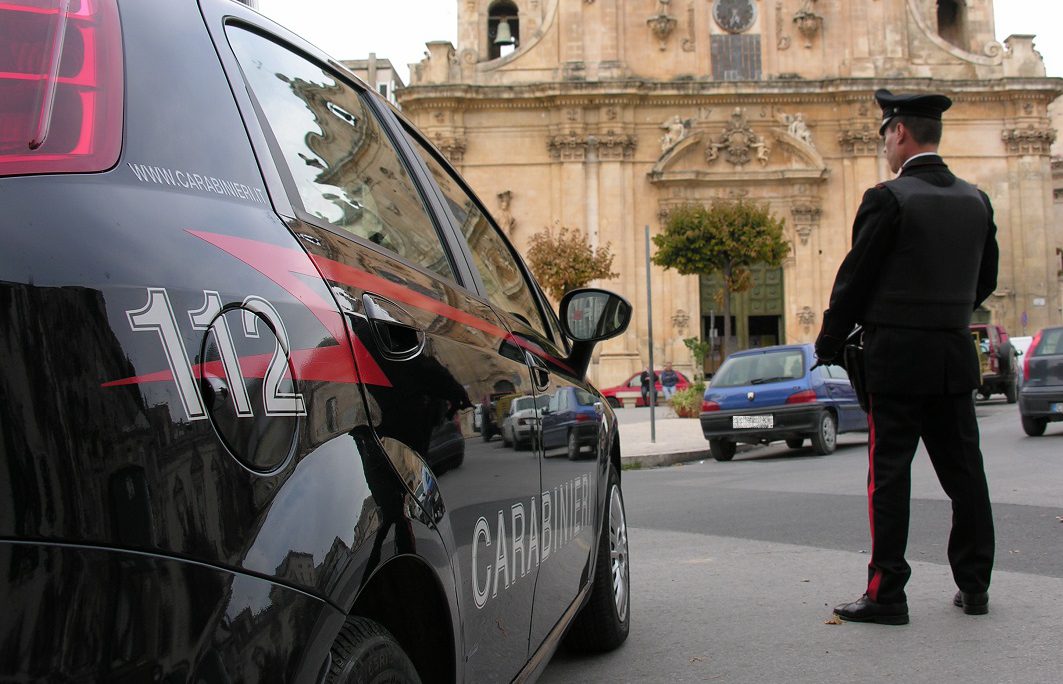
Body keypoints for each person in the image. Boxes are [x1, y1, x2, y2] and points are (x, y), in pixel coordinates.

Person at [814, 89, 998, 626]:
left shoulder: (888, 198)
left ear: (898, 132)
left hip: (895, 359)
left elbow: (855, 278)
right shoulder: (977, 200)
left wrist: (830, 340)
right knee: (966, 476)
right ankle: (975, 586)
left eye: (885, 137)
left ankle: (887, 592)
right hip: (953, 355)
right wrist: (948, 310)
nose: (885, 148)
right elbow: (986, 278)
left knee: (890, 477)